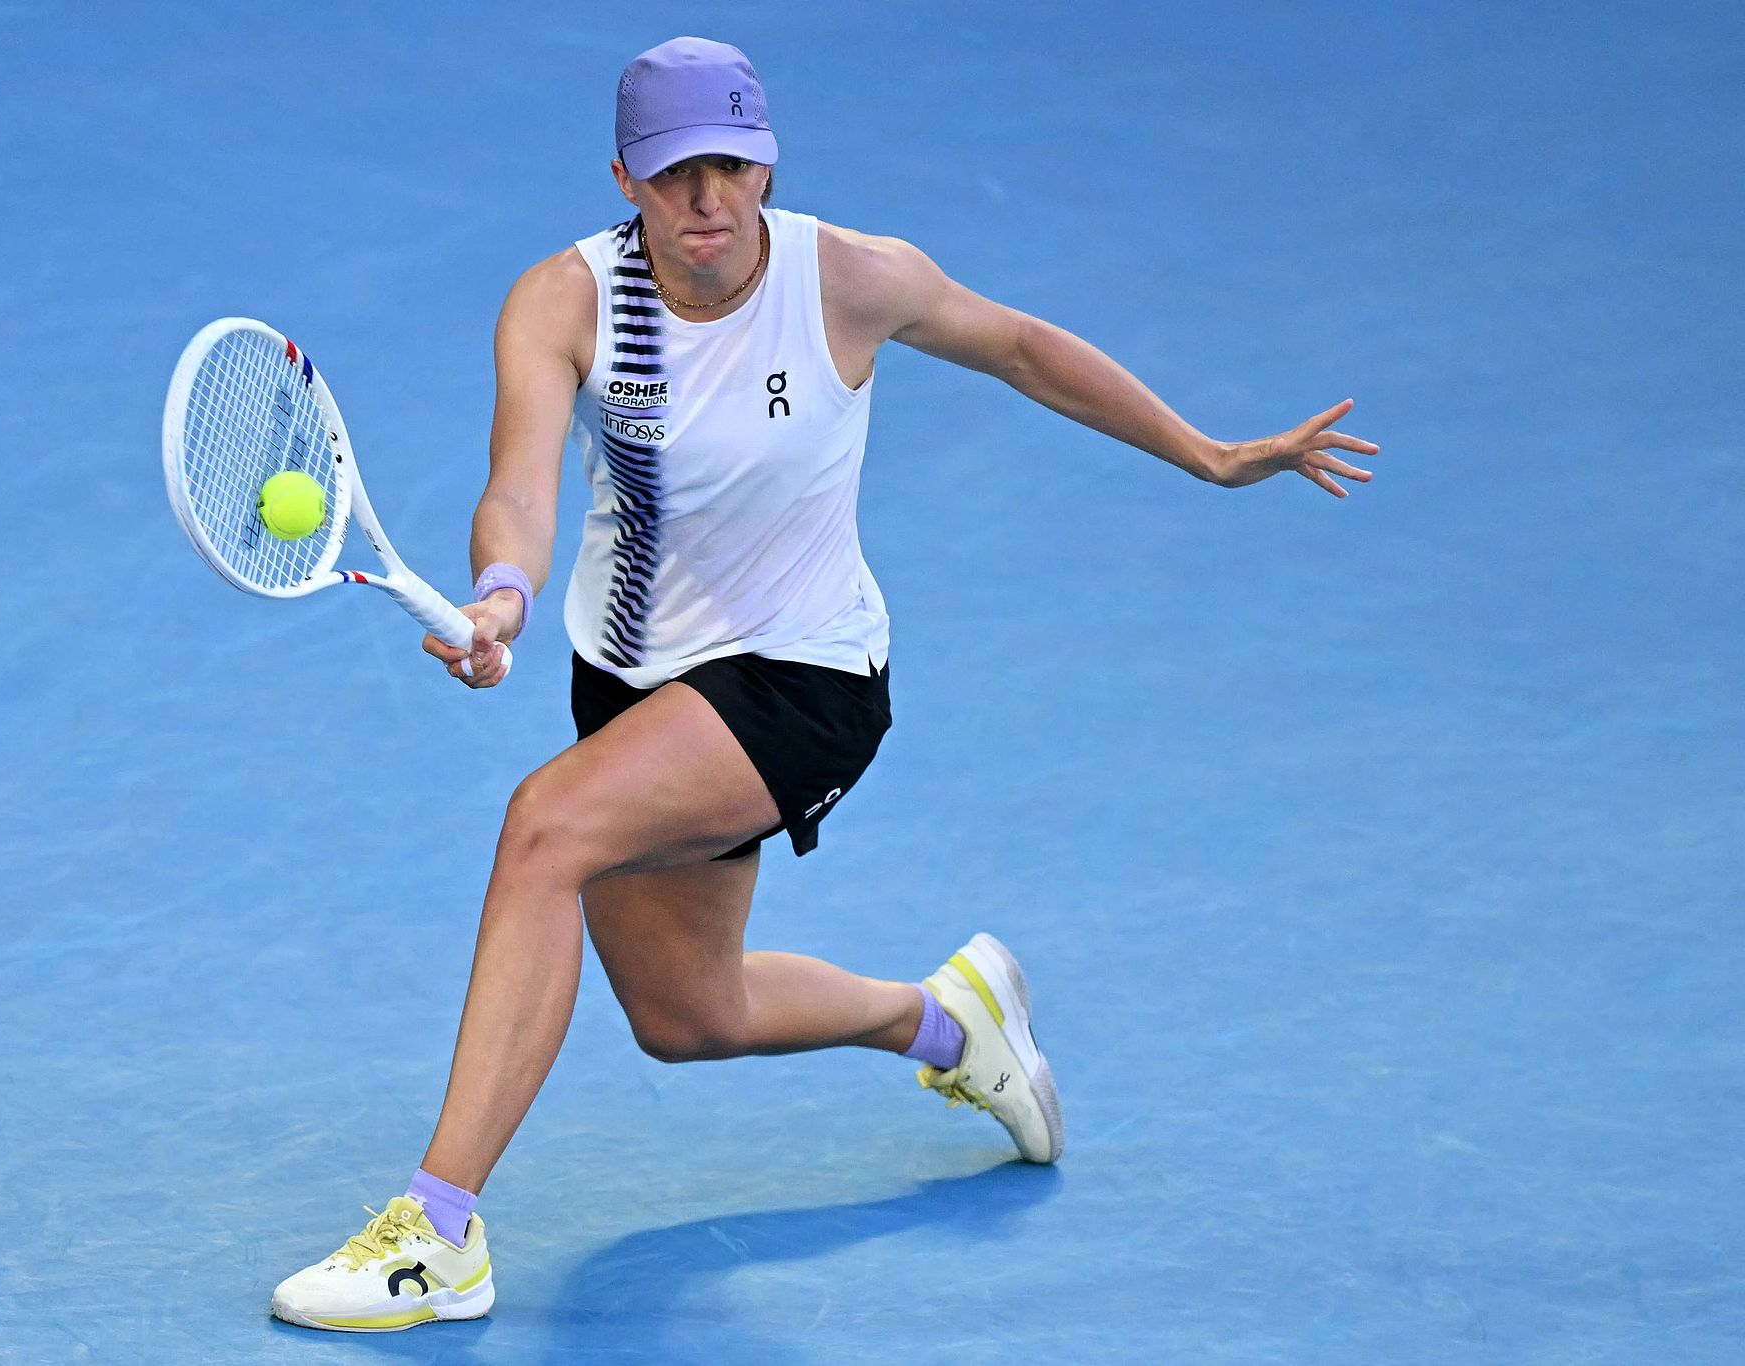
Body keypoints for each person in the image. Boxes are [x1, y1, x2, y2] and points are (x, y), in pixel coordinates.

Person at [269, 36, 1377, 1333]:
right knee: (690, 1013)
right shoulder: (561, 303)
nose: (707, 200)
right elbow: (518, 483)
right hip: (632, 684)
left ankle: (437, 1232)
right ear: (626, 176)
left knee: (543, 829)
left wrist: (1211, 454)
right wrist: (502, 594)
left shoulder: (846, 280)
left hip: (804, 677)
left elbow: (1019, 345)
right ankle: (953, 1022)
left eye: (730, 166)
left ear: (767, 162)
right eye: (677, 173)